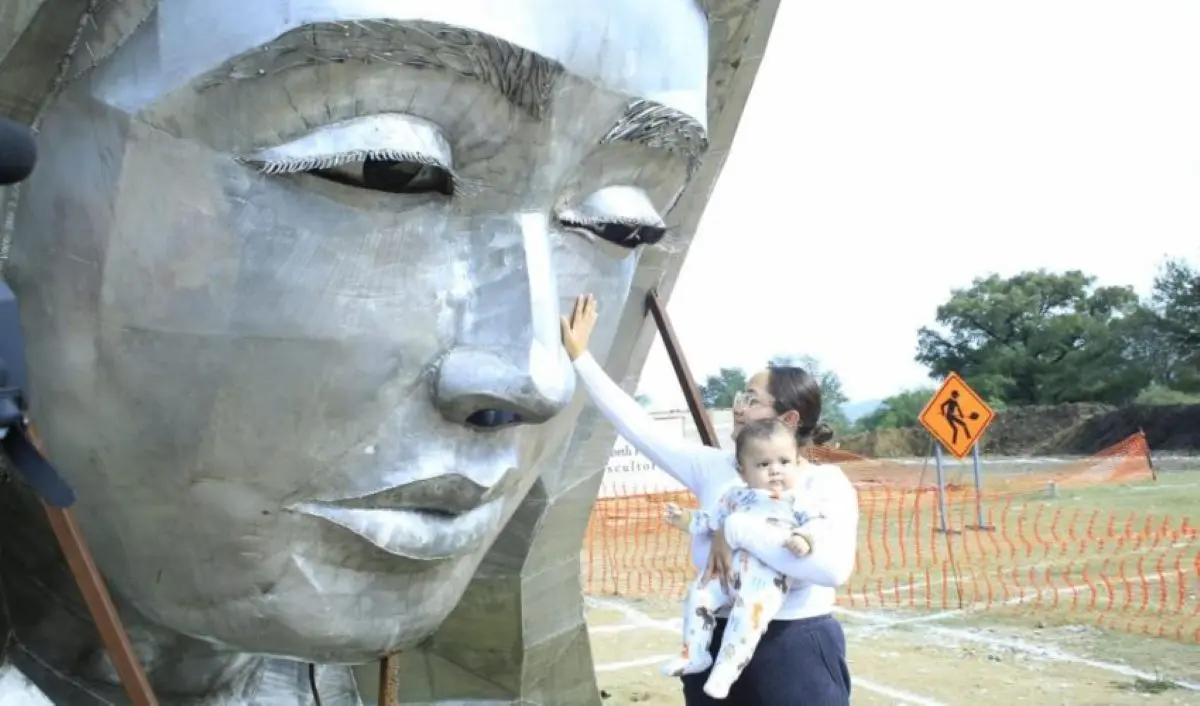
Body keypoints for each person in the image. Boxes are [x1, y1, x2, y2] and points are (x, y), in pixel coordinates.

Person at [561, 293, 858, 705]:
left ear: (788, 420)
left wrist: (733, 529)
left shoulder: (826, 483)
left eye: (753, 400)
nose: (739, 407)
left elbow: (829, 568)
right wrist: (580, 359)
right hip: (715, 640)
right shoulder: (712, 467)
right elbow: (637, 426)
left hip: (794, 647)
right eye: (742, 396)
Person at [661, 418, 822, 699]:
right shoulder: (735, 497)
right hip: (727, 572)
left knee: (746, 617)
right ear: (742, 471)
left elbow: (817, 524)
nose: (775, 471)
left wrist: (803, 539)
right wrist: (684, 518)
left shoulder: (798, 499)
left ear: (797, 463)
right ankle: (694, 653)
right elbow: (711, 521)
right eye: (763, 464)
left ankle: (726, 670)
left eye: (784, 462)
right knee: (698, 595)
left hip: (766, 580)